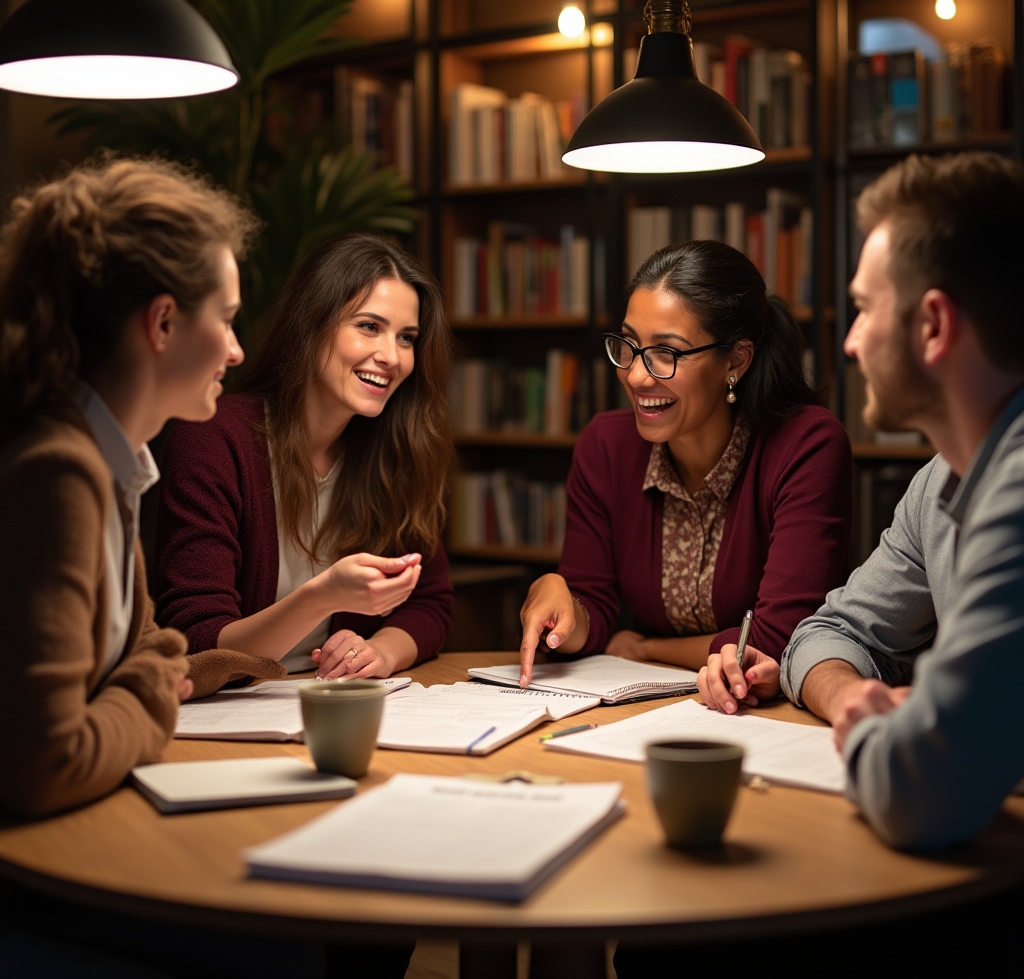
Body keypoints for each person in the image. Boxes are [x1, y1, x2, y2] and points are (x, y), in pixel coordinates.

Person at [698, 151, 1024, 852]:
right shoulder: (940, 485)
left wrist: (891, 732)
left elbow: (925, 792)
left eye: (866, 309)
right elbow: (828, 632)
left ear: (933, 326)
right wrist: (853, 699)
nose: (847, 343)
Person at [0, 154, 257, 820]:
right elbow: (45, 764)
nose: (237, 351)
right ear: (164, 323)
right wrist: (149, 696)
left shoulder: (114, 460)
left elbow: (150, 647)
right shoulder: (57, 472)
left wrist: (142, 676)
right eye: (225, 318)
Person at [518, 239, 853, 686]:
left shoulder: (807, 445)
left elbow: (780, 640)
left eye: (666, 353)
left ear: (735, 360)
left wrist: (646, 648)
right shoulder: (605, 445)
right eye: (629, 344)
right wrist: (566, 608)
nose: (636, 375)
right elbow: (593, 611)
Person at [155, 233, 454, 678]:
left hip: (328, 701)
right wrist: (323, 596)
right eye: (369, 326)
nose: (392, 356)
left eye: (407, 337)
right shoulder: (212, 438)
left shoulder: (395, 448)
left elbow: (431, 602)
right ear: (311, 324)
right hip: (228, 712)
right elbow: (196, 642)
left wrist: (381, 652)